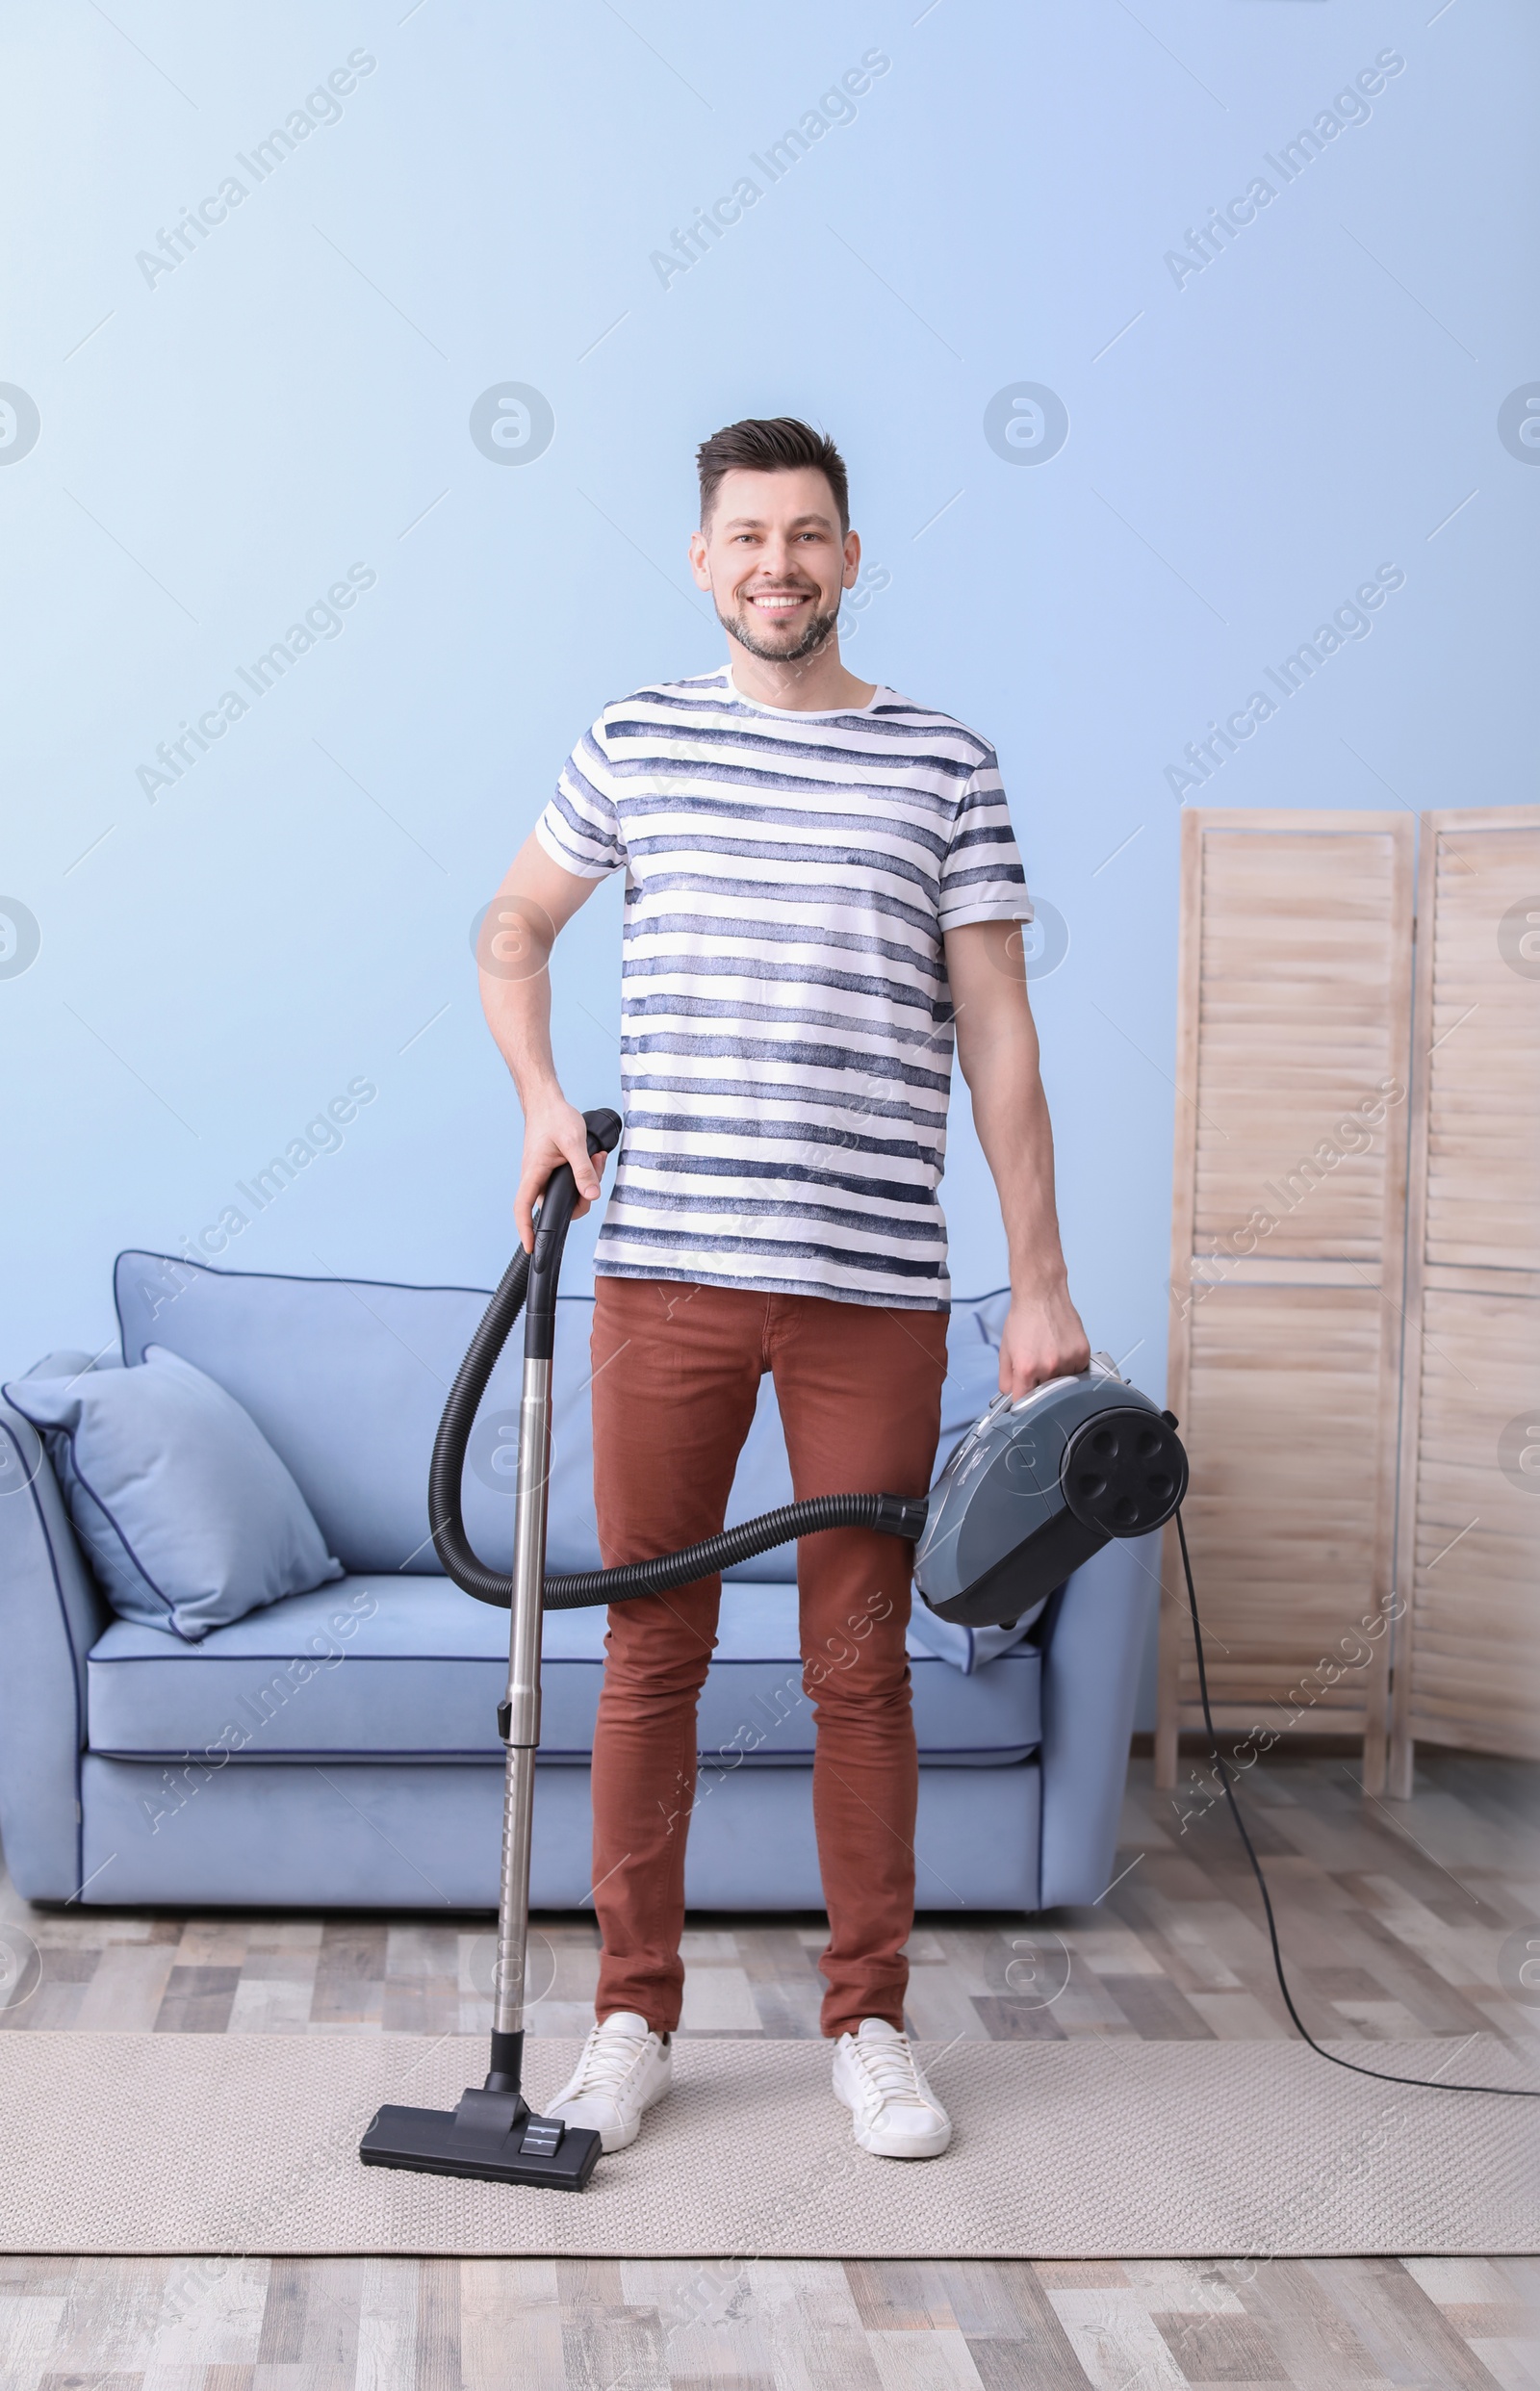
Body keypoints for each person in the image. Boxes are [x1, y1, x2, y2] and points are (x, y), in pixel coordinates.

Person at [478, 416, 1089, 2161]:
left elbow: (1000, 1035)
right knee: (651, 1651)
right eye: (747, 535)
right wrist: (538, 1098)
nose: (778, 564)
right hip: (664, 1272)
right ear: (702, 558)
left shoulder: (943, 764)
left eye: (809, 534)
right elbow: (511, 926)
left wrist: (1037, 1282)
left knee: (857, 1665)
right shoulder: (639, 739)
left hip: (873, 1286)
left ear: (851, 555)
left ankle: (872, 2022)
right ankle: (627, 2019)